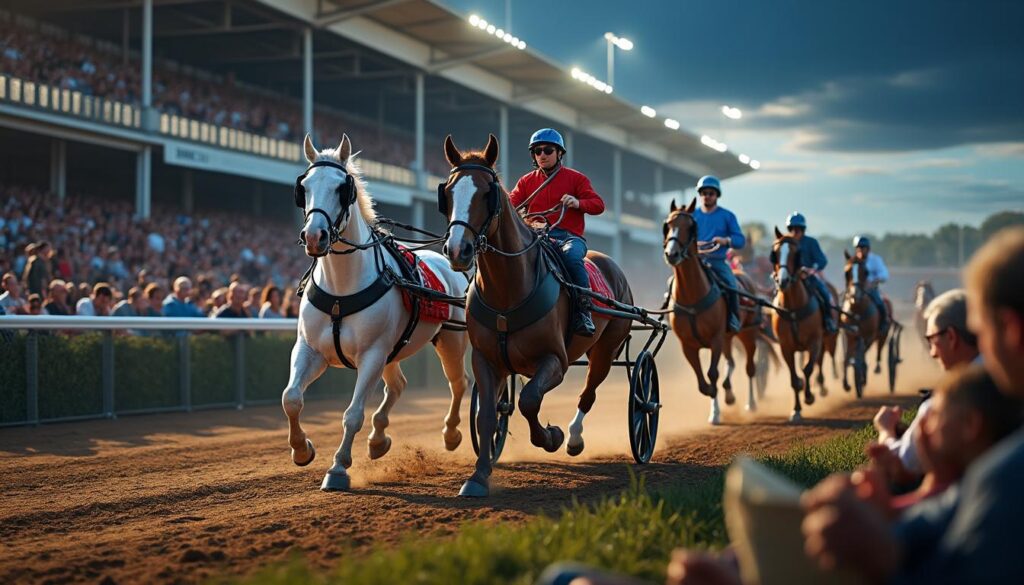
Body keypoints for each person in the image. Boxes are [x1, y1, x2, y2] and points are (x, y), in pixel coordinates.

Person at [801, 226, 1024, 584]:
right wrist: (897, 509)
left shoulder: (1005, 472)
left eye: (980, 329)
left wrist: (878, 554)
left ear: (1011, 330)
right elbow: (948, 510)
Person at [870, 288, 981, 481]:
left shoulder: (942, 405)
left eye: (931, 340)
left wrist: (886, 429)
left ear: (952, 337)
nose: (932, 353)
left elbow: (901, 466)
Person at [508, 128, 606, 337]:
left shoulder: (576, 179)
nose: (542, 155)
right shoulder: (526, 181)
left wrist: (578, 202)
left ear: (559, 153)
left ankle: (583, 311)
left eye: (548, 150)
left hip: (569, 238)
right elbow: (510, 205)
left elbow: (599, 205)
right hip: (536, 237)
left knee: (571, 258)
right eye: (537, 151)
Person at [692, 176, 745, 333]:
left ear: (716, 195)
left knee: (731, 285)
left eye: (711, 193)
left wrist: (726, 240)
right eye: (704, 193)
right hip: (696, 261)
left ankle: (733, 318)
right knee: (673, 282)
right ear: (700, 195)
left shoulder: (727, 216)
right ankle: (671, 315)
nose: (707, 196)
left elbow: (740, 240)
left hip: (718, 261)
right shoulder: (692, 216)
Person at [785, 212, 836, 333]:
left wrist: (811, 269)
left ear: (803, 229)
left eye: (798, 228)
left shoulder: (811, 242)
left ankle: (828, 320)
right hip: (790, 278)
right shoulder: (786, 244)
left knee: (824, 293)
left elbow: (822, 260)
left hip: (809, 278)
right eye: (792, 228)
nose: (795, 231)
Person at [852, 235, 890, 334]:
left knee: (880, 303)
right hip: (856, 289)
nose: (860, 250)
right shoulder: (853, 261)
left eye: (862, 248)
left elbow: (884, 274)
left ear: (868, 249)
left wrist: (875, 280)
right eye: (858, 248)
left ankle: (882, 324)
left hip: (871, 290)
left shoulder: (876, 260)